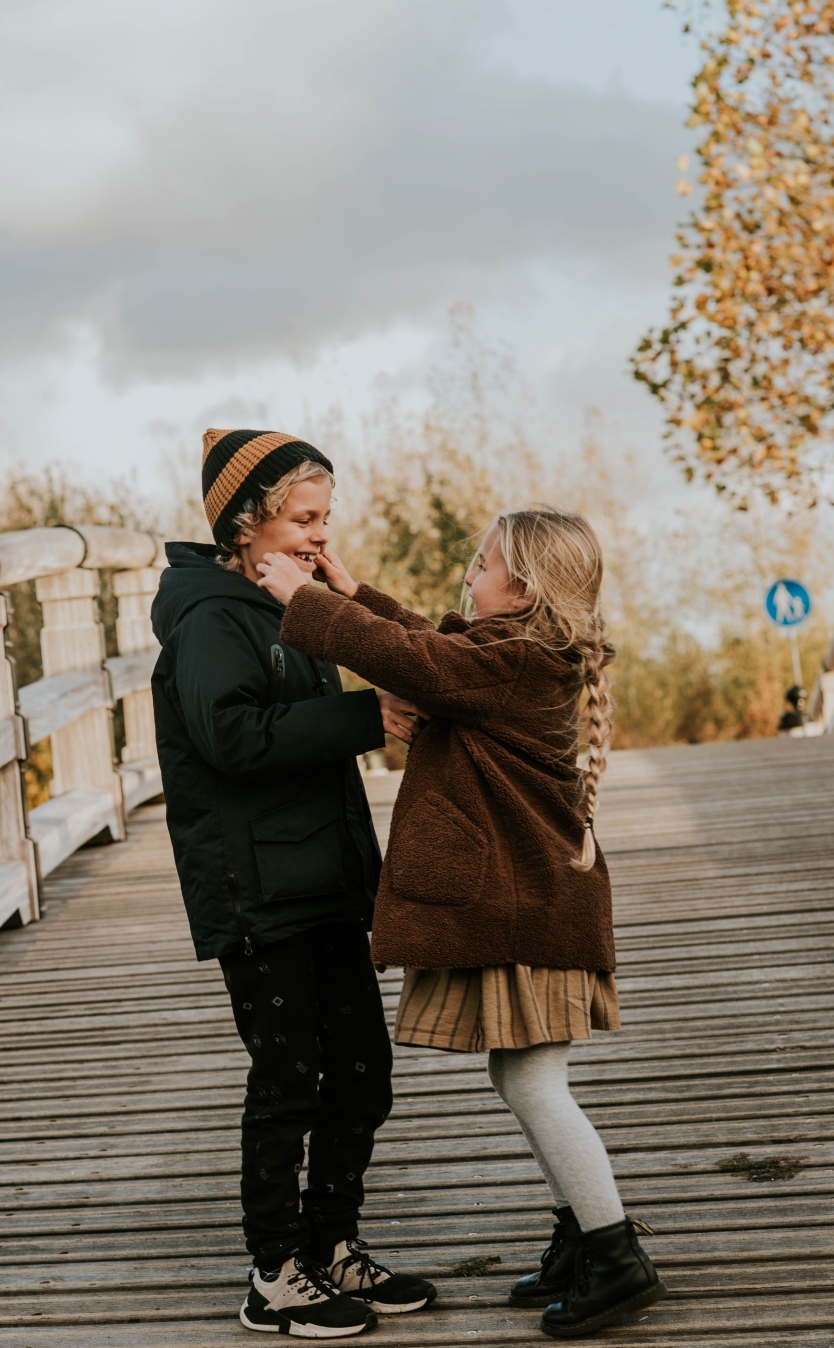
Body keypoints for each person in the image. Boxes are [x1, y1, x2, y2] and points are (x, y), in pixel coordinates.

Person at [257, 505, 668, 1340]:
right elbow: (432, 651)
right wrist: (352, 590)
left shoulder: (519, 662)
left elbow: (416, 661)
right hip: (538, 903)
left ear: (522, 587)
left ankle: (615, 1254)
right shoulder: (518, 654)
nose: (466, 580)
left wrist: (305, 596)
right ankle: (577, 1241)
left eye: (480, 567)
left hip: (535, 910)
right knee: (520, 1078)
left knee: (530, 1082)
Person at [151, 428, 436, 1338]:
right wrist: (364, 714)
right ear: (244, 523)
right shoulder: (209, 619)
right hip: (258, 891)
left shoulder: (288, 603)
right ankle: (272, 1271)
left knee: (363, 1070)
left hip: (321, 877)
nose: (319, 534)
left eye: (325, 517)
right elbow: (231, 737)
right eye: (302, 518)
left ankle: (330, 1245)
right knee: (290, 1077)